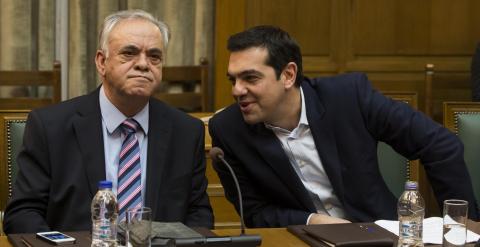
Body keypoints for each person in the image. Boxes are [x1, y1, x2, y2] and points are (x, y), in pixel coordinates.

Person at [209, 25, 480, 228]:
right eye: (232, 79)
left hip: (378, 235)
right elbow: (255, 213)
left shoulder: (348, 96)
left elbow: (440, 144)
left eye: (250, 78)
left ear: (288, 75)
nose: (237, 90)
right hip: (299, 240)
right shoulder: (228, 129)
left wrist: (459, 226)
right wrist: (313, 220)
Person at [3, 9, 213, 233]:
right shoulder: (50, 127)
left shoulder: (186, 132)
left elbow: (199, 215)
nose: (144, 64)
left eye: (154, 57)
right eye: (129, 53)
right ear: (101, 62)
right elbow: (23, 215)